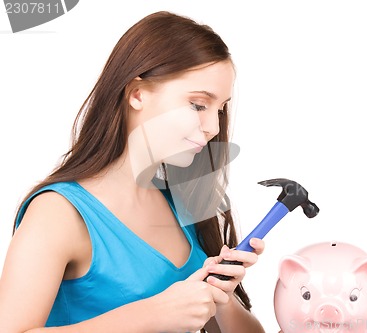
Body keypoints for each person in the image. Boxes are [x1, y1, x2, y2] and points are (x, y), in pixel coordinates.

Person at [0, 11, 266, 333]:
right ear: (137, 94)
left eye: (220, 109)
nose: (212, 127)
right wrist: (151, 315)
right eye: (198, 104)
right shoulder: (58, 213)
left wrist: (220, 295)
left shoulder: (182, 204)